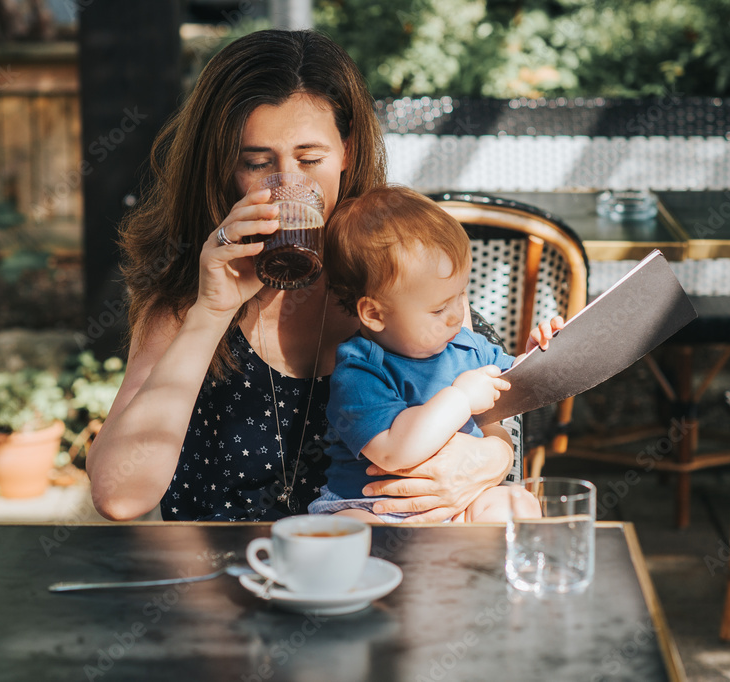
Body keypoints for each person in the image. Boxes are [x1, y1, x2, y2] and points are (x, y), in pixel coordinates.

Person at [87, 29, 537, 523]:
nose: (291, 185)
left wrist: (494, 458)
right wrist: (210, 312)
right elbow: (119, 496)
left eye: (310, 159)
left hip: (380, 580)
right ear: (222, 168)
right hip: (230, 584)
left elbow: (486, 405)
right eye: (258, 163)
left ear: (346, 150)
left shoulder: (399, 276)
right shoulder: (185, 301)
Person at [309, 187, 558, 522]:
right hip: (372, 507)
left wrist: (537, 355)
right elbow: (396, 450)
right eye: (439, 308)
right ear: (375, 314)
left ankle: (481, 570)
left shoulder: (466, 344)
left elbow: (515, 387)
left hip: (460, 502)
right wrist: (461, 399)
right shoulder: (360, 370)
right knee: (350, 530)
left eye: (461, 296)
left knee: (517, 503)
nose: (457, 315)